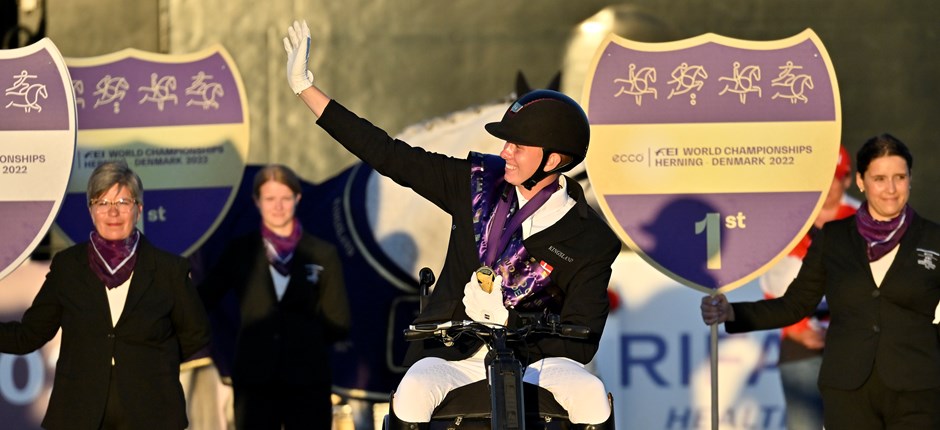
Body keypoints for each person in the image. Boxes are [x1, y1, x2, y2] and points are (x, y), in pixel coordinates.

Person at [283, 19, 621, 429]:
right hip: (455, 355)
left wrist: (510, 323)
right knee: (410, 395)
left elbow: (582, 341)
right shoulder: (476, 183)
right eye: (506, 142)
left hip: (539, 363)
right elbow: (390, 155)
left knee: (591, 398)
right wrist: (306, 89)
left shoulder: (592, 238)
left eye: (518, 146)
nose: (505, 152)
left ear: (555, 160)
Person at [702, 134, 940, 429]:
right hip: (849, 392)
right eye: (879, 178)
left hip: (916, 393)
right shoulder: (834, 238)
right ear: (862, 181)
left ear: (910, 179)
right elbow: (796, 303)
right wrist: (733, 312)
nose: (890, 189)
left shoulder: (933, 238)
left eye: (899, 177)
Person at [0, 160, 211, 429]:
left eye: (123, 202)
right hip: (80, 412)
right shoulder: (68, 267)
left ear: (138, 209)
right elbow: (29, 335)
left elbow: (197, 334)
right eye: (102, 203)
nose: (113, 212)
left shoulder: (170, 270)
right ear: (91, 211)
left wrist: (153, 365)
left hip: (152, 411)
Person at [197, 164, 350, 429]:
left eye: (285, 198)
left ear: (298, 199)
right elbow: (204, 298)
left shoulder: (323, 253)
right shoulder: (240, 250)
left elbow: (338, 321)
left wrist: (303, 341)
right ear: (257, 201)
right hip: (254, 381)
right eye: (269, 199)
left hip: (308, 380)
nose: (277, 206)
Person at [758, 145, 858, 429]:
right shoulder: (790, 223)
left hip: (853, 347)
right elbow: (772, 282)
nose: (827, 187)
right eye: (820, 178)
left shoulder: (864, 219)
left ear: (848, 179)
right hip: (801, 345)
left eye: (834, 178)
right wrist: (796, 328)